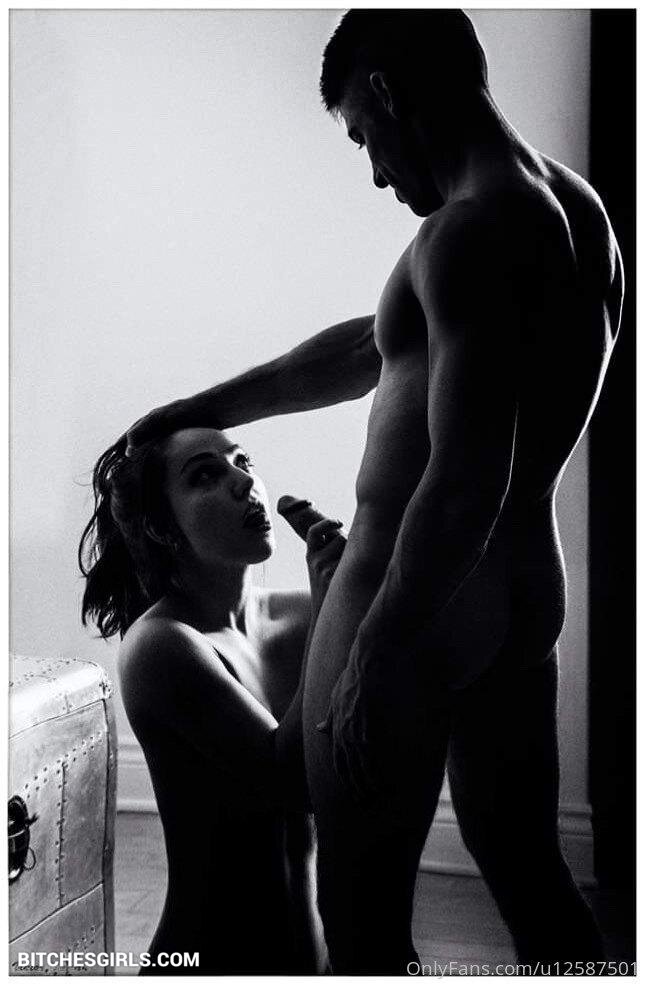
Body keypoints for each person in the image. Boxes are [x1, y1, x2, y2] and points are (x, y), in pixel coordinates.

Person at [126, 10, 623, 973]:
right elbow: (370, 348)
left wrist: (372, 651)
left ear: (389, 94)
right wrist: (197, 405)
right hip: (525, 592)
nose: (376, 173)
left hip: (419, 593)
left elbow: (462, 481)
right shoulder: (582, 217)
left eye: (362, 136)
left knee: (362, 917)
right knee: (532, 874)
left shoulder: (463, 232)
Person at [79, 427, 344, 974]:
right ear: (161, 527)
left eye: (243, 461)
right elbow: (293, 780)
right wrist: (336, 611)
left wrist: (355, 590)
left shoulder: (299, 616)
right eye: (205, 475)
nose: (244, 482)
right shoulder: (162, 646)